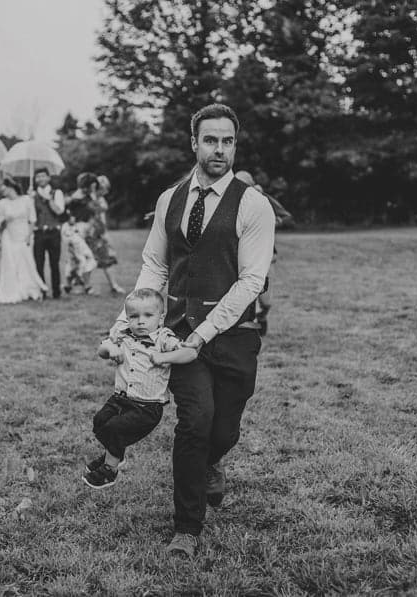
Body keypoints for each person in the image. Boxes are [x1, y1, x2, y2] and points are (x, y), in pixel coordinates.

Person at [110, 103, 275, 557]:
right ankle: (187, 528)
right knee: (194, 424)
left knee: (224, 431)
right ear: (194, 143)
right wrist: (124, 326)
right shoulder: (170, 199)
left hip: (235, 334)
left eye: (227, 141)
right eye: (210, 140)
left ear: (235, 145)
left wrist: (209, 331)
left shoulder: (254, 206)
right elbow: (154, 265)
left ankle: (213, 463)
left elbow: (250, 282)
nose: (219, 149)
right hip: (180, 335)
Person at [84, 288, 198, 489]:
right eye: (134, 316)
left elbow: (190, 354)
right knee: (100, 422)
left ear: (161, 317)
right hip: (119, 398)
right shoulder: (123, 335)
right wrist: (111, 349)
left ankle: (110, 470)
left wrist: (165, 357)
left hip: (146, 407)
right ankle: (115, 453)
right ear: (127, 318)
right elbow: (102, 349)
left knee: (115, 429)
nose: (140, 321)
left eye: (148, 315)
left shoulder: (164, 338)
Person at [234, 170, 279, 336]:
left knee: (266, 301)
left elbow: (281, 216)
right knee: (246, 297)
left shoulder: (262, 202)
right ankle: (246, 329)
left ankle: (263, 316)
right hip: (245, 260)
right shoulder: (231, 204)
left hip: (267, 259)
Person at [0, 176, 48, 303]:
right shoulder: (3, 203)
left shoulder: (26, 200)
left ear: (11, 187)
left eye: (4, 189)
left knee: (26, 262)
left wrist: (29, 236)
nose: (3, 192)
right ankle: (14, 290)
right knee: (11, 263)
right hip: (9, 236)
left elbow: (33, 220)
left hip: (24, 234)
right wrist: (4, 220)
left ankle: (29, 289)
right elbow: (0, 224)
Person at [31, 168, 66, 299]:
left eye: (43, 176)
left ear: (48, 178)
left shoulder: (57, 193)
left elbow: (59, 211)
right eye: (37, 177)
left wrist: (48, 199)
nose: (40, 179)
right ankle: (42, 291)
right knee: (38, 263)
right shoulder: (32, 195)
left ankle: (56, 291)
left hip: (53, 232)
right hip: (39, 233)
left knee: (54, 263)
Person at [86, 174, 124, 295]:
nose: (105, 191)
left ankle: (113, 285)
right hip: (89, 233)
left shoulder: (100, 199)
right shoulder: (89, 199)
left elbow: (102, 218)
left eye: (105, 188)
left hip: (100, 233)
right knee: (86, 259)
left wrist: (104, 233)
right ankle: (85, 286)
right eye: (102, 188)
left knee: (107, 259)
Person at [62, 178, 98, 295]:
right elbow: (66, 209)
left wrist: (90, 227)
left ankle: (68, 285)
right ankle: (86, 286)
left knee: (74, 258)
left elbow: (93, 214)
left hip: (84, 231)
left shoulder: (89, 198)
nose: (94, 189)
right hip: (73, 231)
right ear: (86, 186)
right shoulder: (74, 197)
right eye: (92, 186)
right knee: (86, 257)